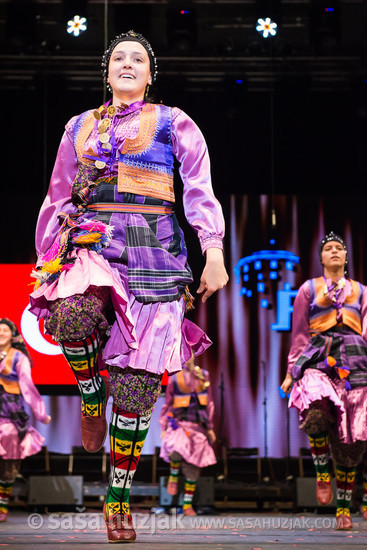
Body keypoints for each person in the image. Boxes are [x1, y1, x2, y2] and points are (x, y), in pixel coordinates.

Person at [29, 30, 228, 542]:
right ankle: (91, 393)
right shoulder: (80, 126)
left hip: (155, 247)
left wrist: (214, 251)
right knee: (70, 317)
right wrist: (47, 255)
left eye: (137, 58)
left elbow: (199, 187)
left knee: (138, 390)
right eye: (118, 56)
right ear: (106, 69)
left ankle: (117, 499)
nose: (127, 63)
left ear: (149, 74)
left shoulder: (173, 121)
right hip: (93, 238)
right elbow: (57, 195)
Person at [281, 231, 367, 530]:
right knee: (315, 403)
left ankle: (343, 509)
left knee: (352, 438)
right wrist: (292, 372)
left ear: (346, 256)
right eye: (328, 248)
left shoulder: (361, 291)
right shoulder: (309, 288)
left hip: (356, 358)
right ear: (320, 257)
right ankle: (320, 472)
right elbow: (300, 333)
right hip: (318, 354)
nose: (333, 252)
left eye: (338, 248)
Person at [0, 318, 51, 522]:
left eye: (4, 330)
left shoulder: (18, 357)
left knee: (9, 463)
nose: (1, 333)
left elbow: (28, 387)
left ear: (12, 335)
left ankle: (2, 505)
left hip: (9, 415)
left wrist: (40, 413)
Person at [159, 348, 216, 516]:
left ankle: (187, 505)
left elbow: (210, 403)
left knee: (194, 466)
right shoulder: (175, 378)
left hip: (198, 426)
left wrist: (210, 428)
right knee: (176, 450)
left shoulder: (203, 376)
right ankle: (174, 475)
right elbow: (168, 403)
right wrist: (163, 426)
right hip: (179, 424)